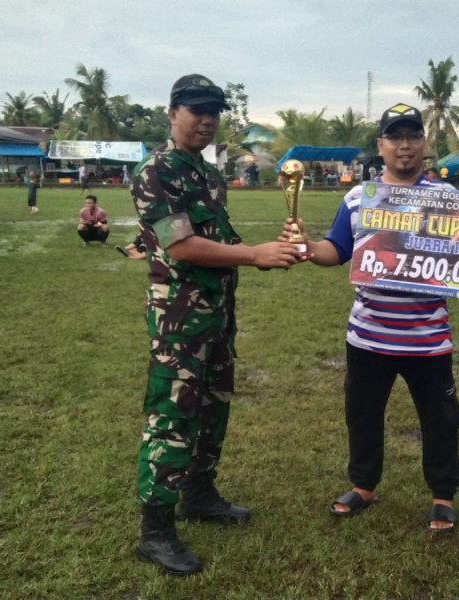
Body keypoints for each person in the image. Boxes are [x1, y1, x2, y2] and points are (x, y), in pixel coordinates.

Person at [282, 103, 459, 535]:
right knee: (361, 414)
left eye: (412, 136)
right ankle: (362, 485)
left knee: (440, 419)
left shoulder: (450, 200)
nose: (404, 145)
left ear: (424, 144)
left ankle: (442, 496)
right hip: (368, 335)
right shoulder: (359, 198)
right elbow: (336, 250)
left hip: (428, 338)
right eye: (394, 137)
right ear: (380, 146)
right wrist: (304, 248)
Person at [131, 74, 300, 576]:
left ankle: (198, 495)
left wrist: (278, 244)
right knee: (172, 416)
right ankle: (155, 531)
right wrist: (255, 255)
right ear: (172, 113)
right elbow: (181, 247)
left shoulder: (206, 173)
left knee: (212, 406)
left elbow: (216, 239)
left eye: (214, 111)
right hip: (179, 321)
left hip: (216, 313)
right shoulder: (156, 171)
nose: (206, 119)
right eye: (196, 109)